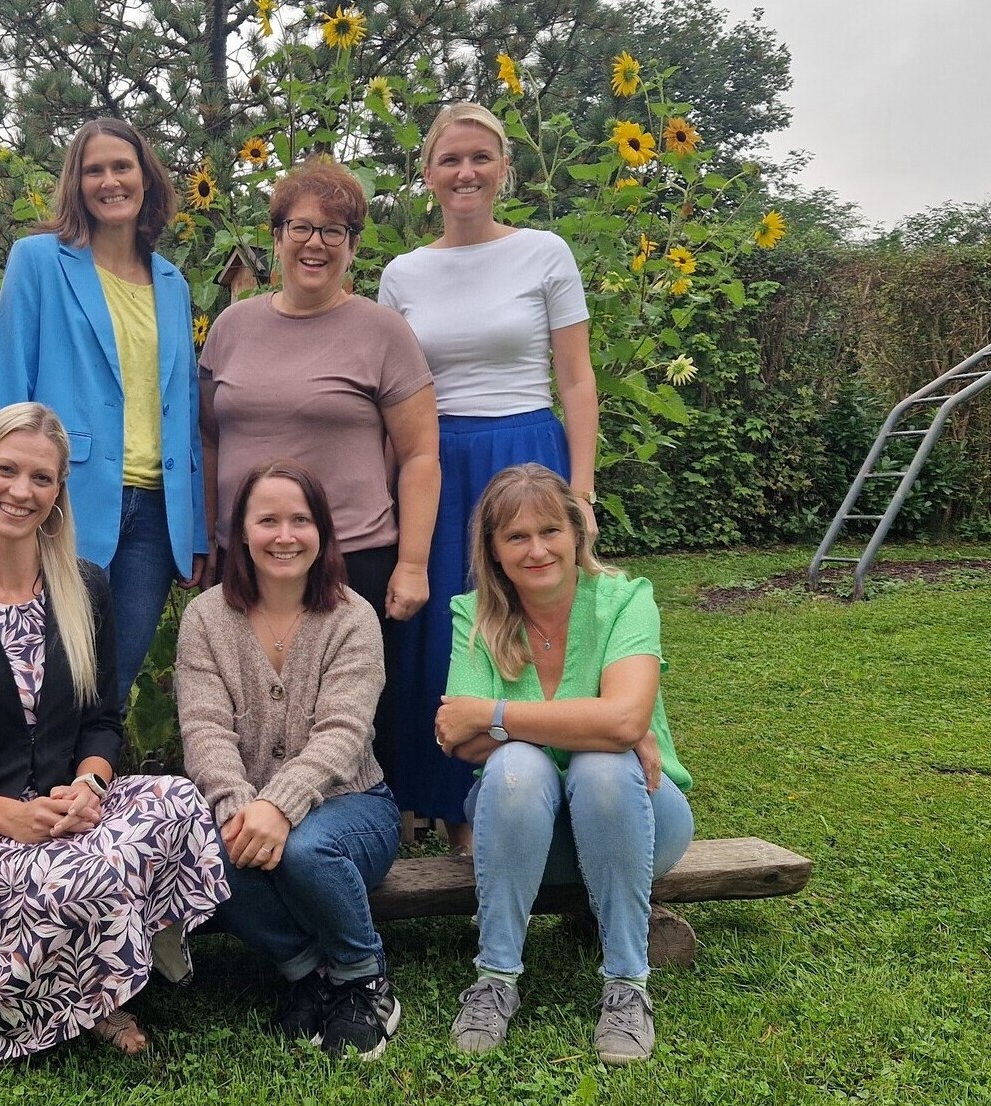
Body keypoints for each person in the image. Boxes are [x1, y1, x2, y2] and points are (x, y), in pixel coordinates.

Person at [0, 403, 230, 1062]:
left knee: (179, 800)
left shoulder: (84, 587)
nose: (21, 491)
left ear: (59, 491)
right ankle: (95, 995)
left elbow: (100, 720)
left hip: (65, 815)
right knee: (77, 876)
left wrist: (89, 786)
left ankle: (104, 960)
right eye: (6, 470)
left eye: (41, 478)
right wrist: (10, 817)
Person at [380, 102, 600, 853]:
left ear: (505, 168)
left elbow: (576, 379)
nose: (465, 171)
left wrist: (581, 490)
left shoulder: (545, 253)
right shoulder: (403, 273)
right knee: (442, 630)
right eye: (449, 159)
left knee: (533, 621)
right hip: (436, 463)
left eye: (480, 157)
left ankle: (537, 792)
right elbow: (391, 389)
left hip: (527, 451)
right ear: (427, 174)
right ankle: (447, 805)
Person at [433, 464, 693, 1065]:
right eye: (516, 537)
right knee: (520, 766)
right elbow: (460, 739)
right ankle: (495, 979)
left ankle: (627, 986)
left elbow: (624, 721)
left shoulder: (626, 598)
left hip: (642, 824)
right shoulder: (474, 613)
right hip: (522, 839)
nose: (537, 550)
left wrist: (494, 713)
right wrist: (593, 726)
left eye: (550, 530)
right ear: (493, 550)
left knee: (600, 768)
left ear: (577, 533)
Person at [199, 157, 440, 774]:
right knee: (242, 716)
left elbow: (419, 454)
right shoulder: (231, 326)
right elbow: (208, 439)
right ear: (276, 236)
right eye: (301, 227)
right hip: (245, 557)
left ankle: (354, 822)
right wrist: (207, 536)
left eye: (335, 231)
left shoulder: (382, 333)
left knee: (345, 728)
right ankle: (246, 813)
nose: (316, 243)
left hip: (351, 558)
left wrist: (412, 564)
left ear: (353, 246)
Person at [177, 459, 402, 1059]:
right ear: (241, 533)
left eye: (300, 520)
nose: (285, 536)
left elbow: (343, 732)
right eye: (267, 520)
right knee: (204, 854)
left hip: (352, 805)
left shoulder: (353, 616)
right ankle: (308, 971)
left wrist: (278, 806)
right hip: (245, 804)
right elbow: (204, 730)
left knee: (304, 848)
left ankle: (364, 978)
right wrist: (240, 809)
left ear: (322, 530)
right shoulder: (206, 618)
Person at [0, 118, 206, 706]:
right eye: (94, 170)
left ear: (145, 178)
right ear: (76, 184)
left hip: (155, 516)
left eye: (122, 167)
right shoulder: (39, 261)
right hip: (63, 502)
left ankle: (91, 771)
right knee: (39, 678)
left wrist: (195, 528)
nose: (110, 182)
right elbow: (9, 387)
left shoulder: (172, 282)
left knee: (113, 686)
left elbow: (184, 410)